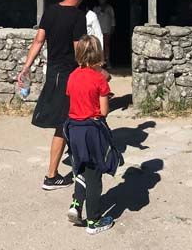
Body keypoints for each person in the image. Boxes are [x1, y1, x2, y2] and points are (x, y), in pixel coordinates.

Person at [18, 0, 87, 190]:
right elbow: (78, 48)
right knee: (63, 124)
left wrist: (26, 66)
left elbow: (38, 40)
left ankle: (72, 154)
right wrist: (90, 70)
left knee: (71, 120)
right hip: (69, 75)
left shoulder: (50, 11)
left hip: (54, 72)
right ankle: (51, 176)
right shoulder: (78, 16)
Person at [64, 35, 120, 235]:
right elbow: (103, 112)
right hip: (92, 130)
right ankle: (94, 221)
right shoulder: (99, 79)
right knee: (94, 175)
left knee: (79, 168)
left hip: (73, 129)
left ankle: (77, 204)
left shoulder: (72, 76)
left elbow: (71, 96)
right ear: (99, 54)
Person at [94, 0, 115, 66]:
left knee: (107, 45)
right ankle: (99, 61)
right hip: (98, 30)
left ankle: (107, 60)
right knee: (99, 45)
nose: (102, 0)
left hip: (107, 29)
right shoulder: (95, 8)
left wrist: (113, 26)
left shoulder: (109, 8)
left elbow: (112, 18)